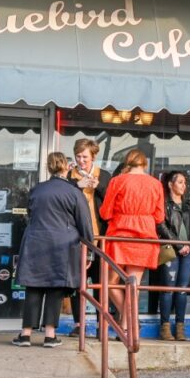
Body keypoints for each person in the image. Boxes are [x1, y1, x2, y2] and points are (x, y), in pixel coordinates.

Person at [13, 152, 93, 347]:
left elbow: (30, 214)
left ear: (49, 167)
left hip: (36, 242)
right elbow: (85, 223)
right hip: (62, 246)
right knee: (55, 287)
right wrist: (89, 249)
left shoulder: (37, 190)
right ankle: (50, 335)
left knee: (33, 286)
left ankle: (26, 334)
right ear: (65, 166)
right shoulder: (73, 192)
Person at [98, 149, 164, 323]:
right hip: (144, 236)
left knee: (110, 283)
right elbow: (159, 217)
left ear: (127, 162)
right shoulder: (155, 184)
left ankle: (128, 323)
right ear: (144, 164)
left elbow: (105, 213)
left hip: (120, 234)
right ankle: (129, 325)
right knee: (133, 284)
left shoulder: (117, 181)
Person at [66, 138, 109, 335]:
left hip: (100, 236)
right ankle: (79, 324)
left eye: (85, 157)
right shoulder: (69, 176)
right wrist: (77, 185)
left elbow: (111, 201)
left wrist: (98, 186)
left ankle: (102, 324)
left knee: (100, 283)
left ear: (93, 157)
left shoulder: (105, 175)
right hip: (76, 236)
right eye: (78, 156)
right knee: (78, 282)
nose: (81, 160)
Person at [154, 171, 190, 341]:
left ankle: (180, 327)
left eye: (184, 182)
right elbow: (161, 226)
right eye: (180, 182)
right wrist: (179, 245)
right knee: (168, 289)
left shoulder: (189, 205)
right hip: (171, 250)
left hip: (189, 252)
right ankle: (164, 328)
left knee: (182, 290)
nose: (183, 185)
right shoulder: (164, 204)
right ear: (170, 185)